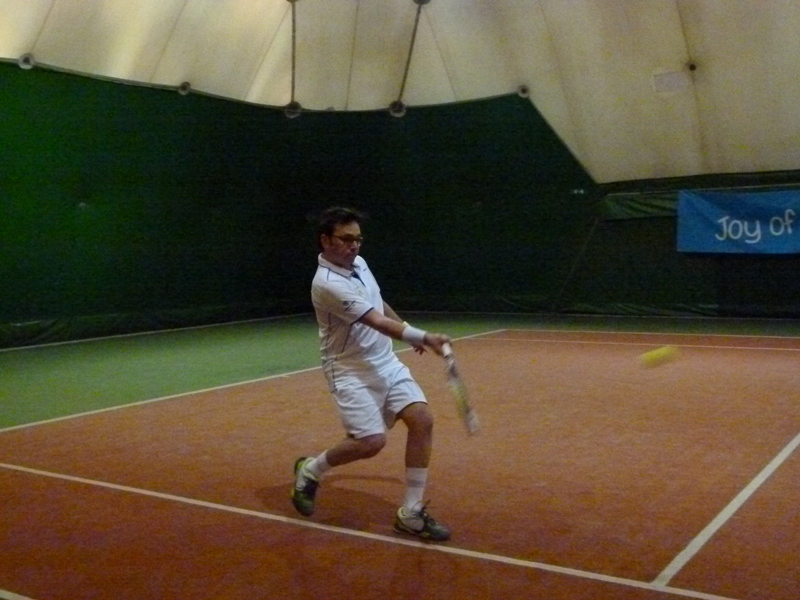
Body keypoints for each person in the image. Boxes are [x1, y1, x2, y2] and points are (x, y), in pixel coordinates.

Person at [291, 206, 452, 541]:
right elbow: (374, 321)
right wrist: (422, 336)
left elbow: (378, 305)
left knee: (422, 419)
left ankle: (411, 512)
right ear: (325, 241)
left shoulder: (359, 264)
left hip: (385, 362)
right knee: (370, 442)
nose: (354, 246)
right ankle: (311, 469)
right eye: (346, 239)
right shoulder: (327, 284)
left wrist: (407, 329)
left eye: (358, 239)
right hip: (349, 370)